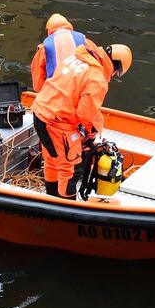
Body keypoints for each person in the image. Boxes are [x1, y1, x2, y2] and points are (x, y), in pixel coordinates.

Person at [31, 44, 132, 199]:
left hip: (40, 114)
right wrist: (92, 132)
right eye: (117, 72)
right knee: (71, 167)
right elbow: (86, 113)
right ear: (115, 66)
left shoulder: (75, 59)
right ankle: (65, 207)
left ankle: (50, 198)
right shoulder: (97, 78)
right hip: (57, 123)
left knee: (52, 160)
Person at [30, 13, 101, 92]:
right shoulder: (85, 41)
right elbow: (99, 61)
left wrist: (44, 94)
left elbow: (38, 81)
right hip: (82, 88)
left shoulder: (45, 47)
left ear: (48, 30)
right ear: (69, 26)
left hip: (56, 91)